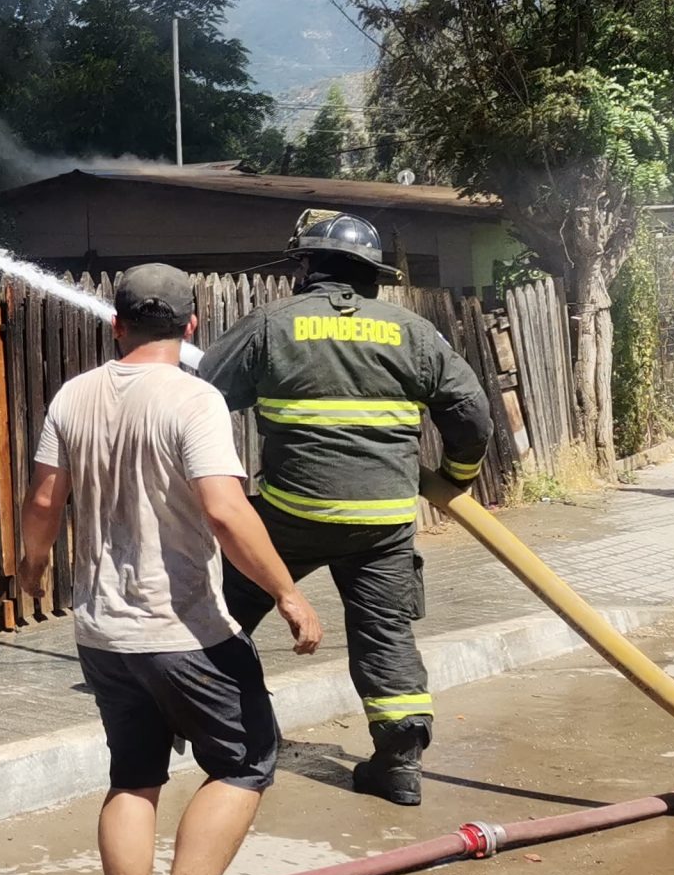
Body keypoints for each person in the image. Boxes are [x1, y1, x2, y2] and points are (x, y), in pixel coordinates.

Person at [18, 264, 323, 875]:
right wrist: (287, 591)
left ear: (116, 323)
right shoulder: (195, 398)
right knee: (246, 760)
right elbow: (223, 508)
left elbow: (43, 499)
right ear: (192, 327)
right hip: (185, 628)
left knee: (134, 777)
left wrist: (28, 571)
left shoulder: (72, 395)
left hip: (102, 632)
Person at [199, 211, 493, 806]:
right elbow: (473, 415)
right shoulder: (412, 331)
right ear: (372, 276)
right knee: (386, 636)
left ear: (305, 268)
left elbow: (202, 394)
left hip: (291, 517)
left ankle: (228, 736)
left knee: (221, 613)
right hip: (384, 523)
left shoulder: (271, 325)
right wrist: (456, 478)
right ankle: (400, 765)